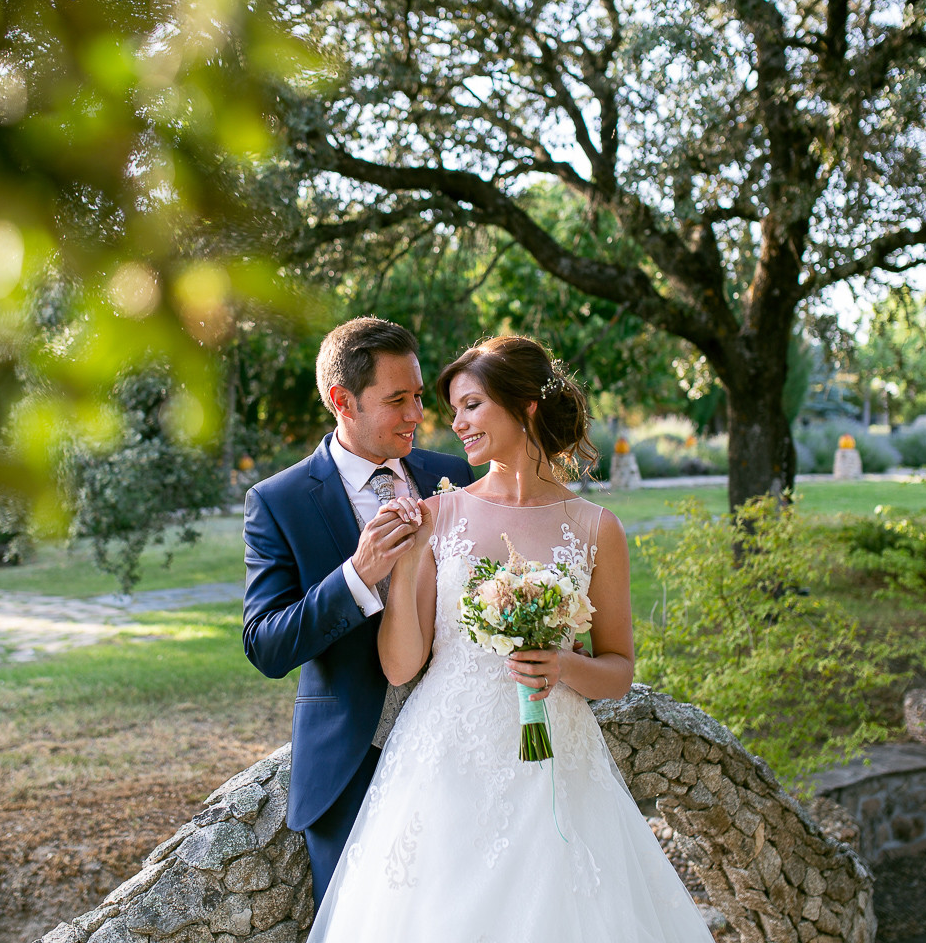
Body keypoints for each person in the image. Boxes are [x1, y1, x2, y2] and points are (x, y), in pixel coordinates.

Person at [306, 336, 714, 941]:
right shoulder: (439, 514)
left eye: (471, 405)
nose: (454, 423)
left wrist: (564, 668)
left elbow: (619, 668)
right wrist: (411, 560)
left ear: (524, 406)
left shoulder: (598, 528)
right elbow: (398, 668)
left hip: (558, 766)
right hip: (445, 766)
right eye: (453, 409)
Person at [241, 317, 476, 907]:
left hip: (462, 751)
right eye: (397, 400)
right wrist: (356, 577)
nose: (417, 414)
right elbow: (265, 645)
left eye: (419, 397)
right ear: (341, 400)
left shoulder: (454, 476)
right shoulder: (279, 502)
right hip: (350, 769)